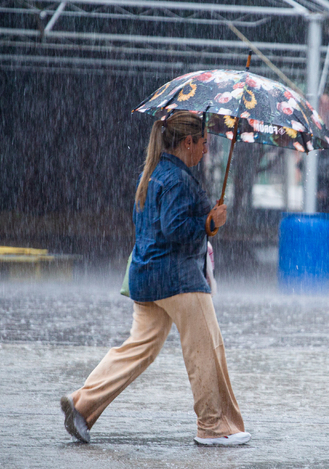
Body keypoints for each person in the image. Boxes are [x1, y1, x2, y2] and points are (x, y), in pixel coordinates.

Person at [60, 111, 249, 446]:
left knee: (137, 350)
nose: (206, 150)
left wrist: (207, 219)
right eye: (203, 143)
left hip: (146, 277)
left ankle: (82, 404)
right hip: (179, 279)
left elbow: (157, 227)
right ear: (188, 142)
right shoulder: (177, 180)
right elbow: (175, 229)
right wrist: (209, 224)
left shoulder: (153, 174)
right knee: (206, 350)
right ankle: (214, 427)